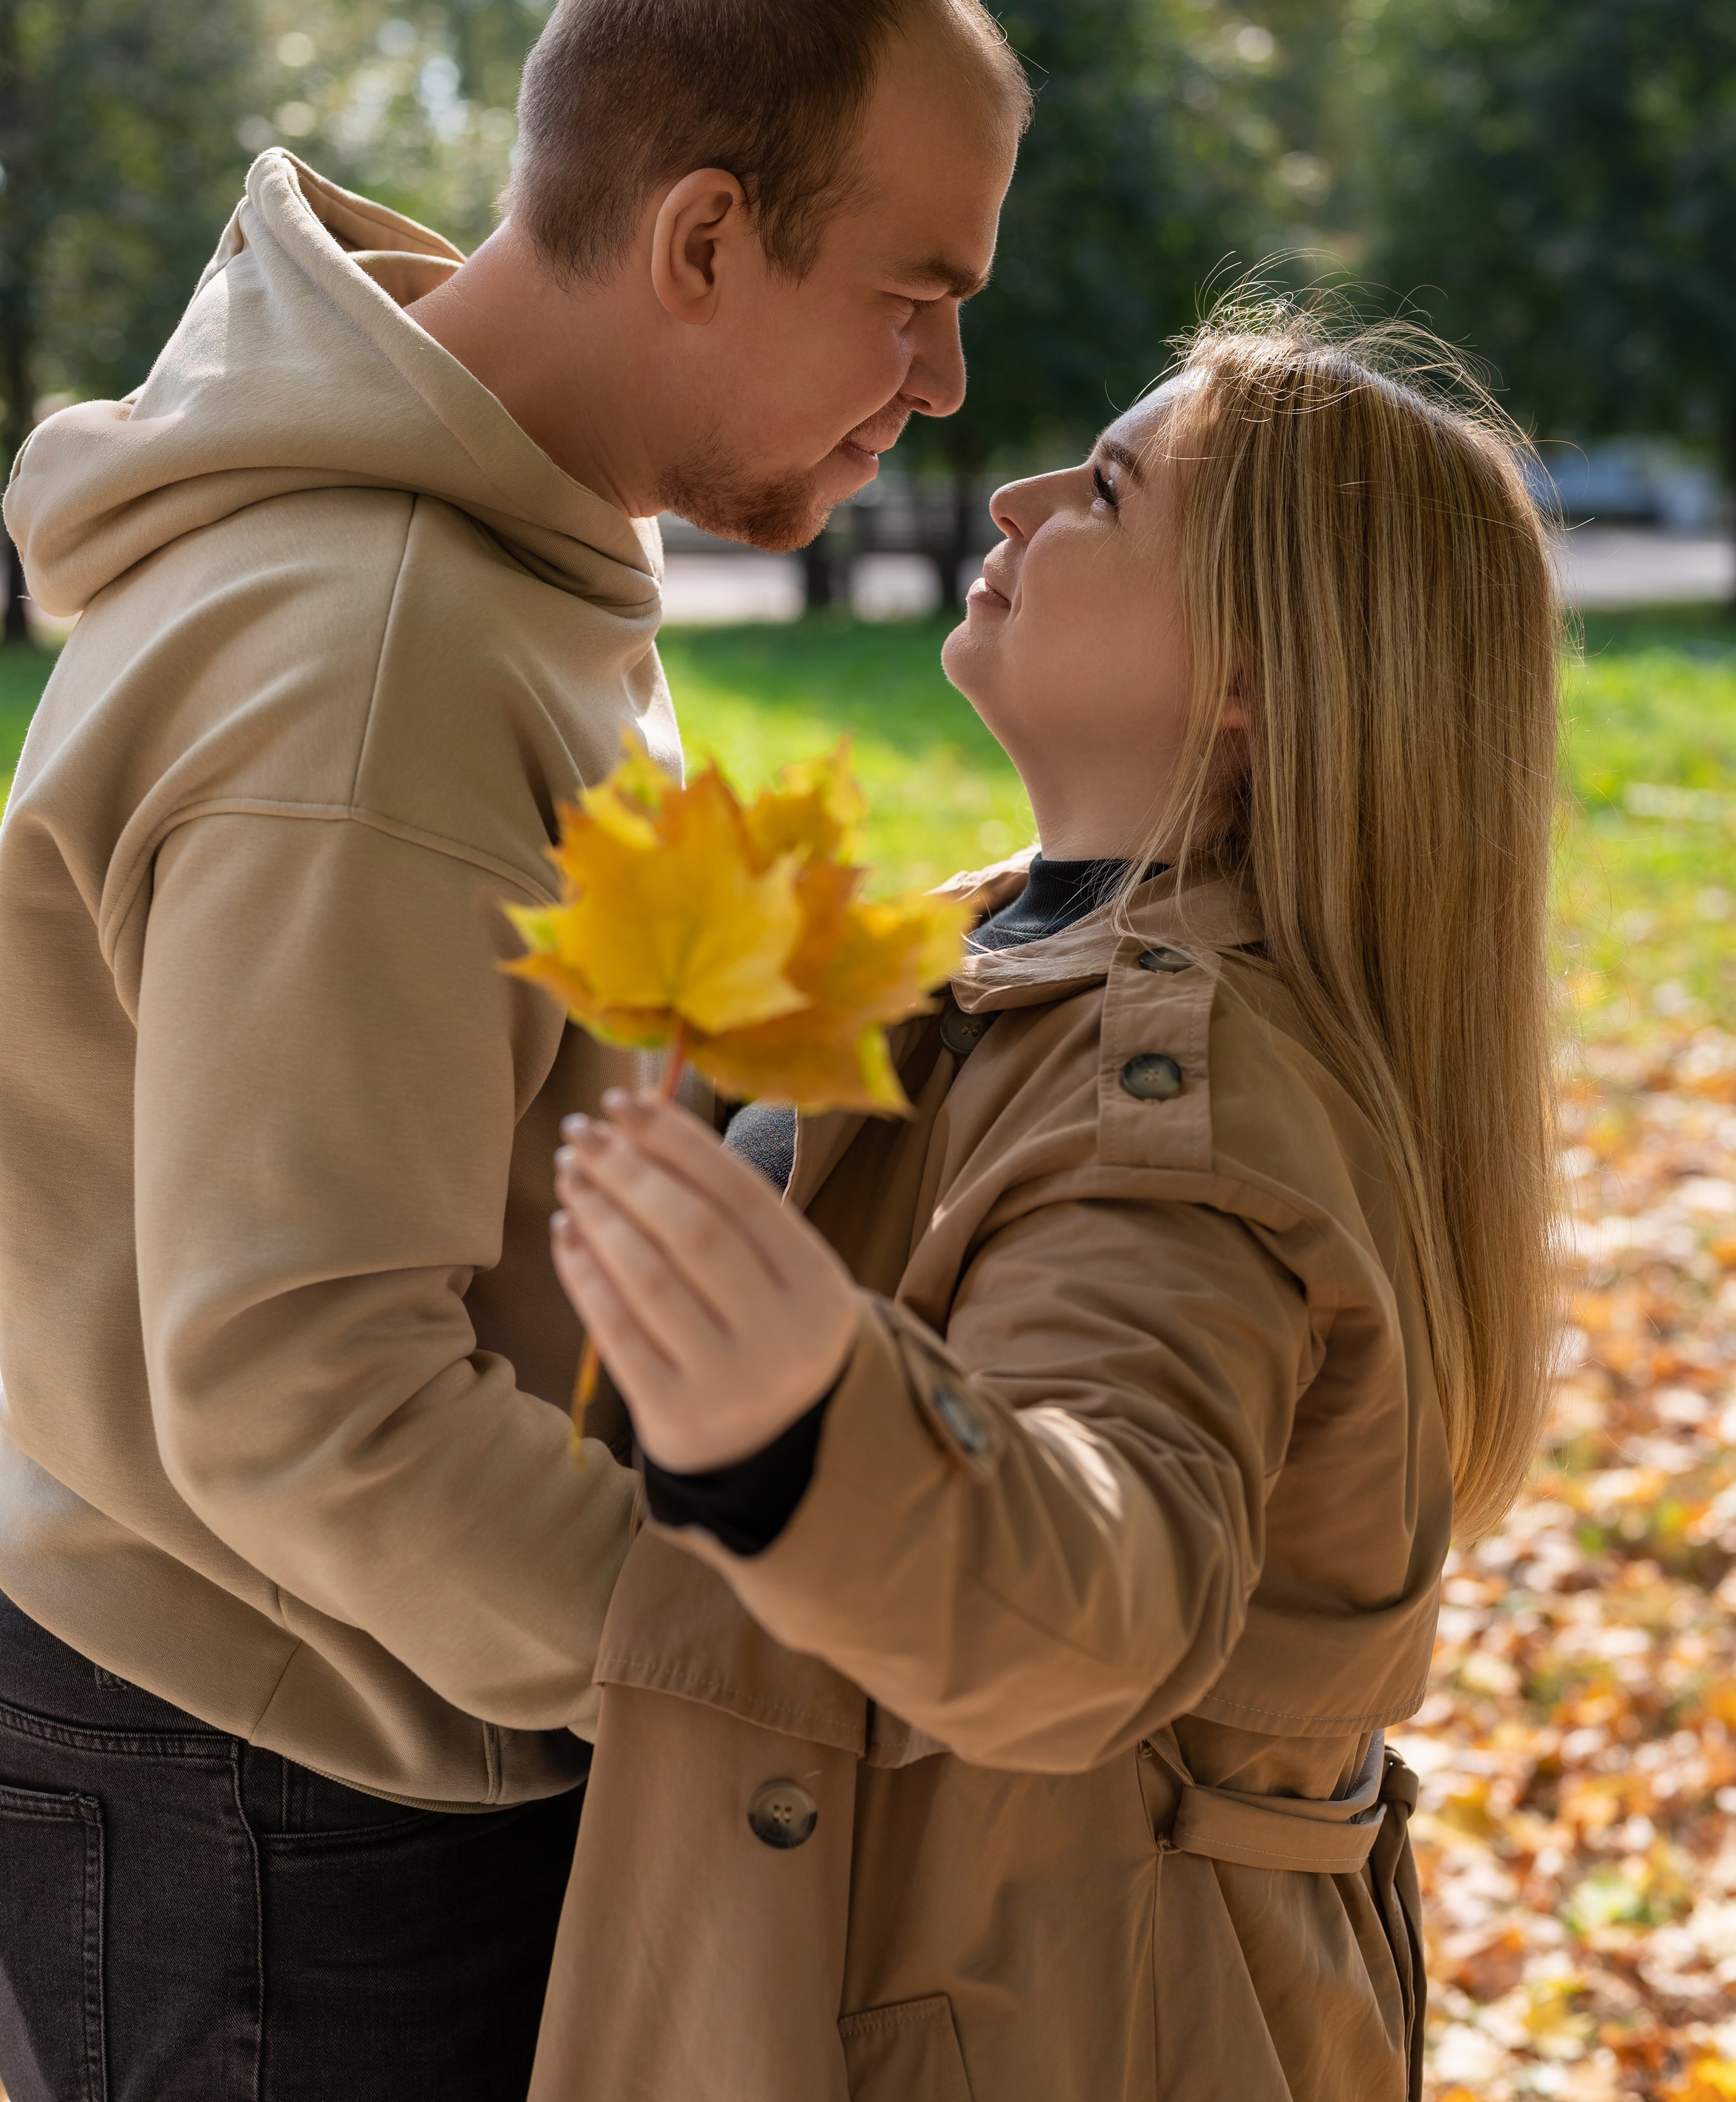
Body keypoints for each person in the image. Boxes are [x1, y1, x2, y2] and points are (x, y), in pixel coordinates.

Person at [0, 0, 1027, 2101]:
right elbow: (301, 1388)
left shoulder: (498, 567)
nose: (943, 382)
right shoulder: (379, 658)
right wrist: (766, 1663)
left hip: (347, 1707)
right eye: (916, 297)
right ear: (701, 239)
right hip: (285, 1778)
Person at [535, 305, 1562, 2102]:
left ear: (1252, 668)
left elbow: (1103, 1581)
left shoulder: (1180, 1096)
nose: (1008, 494)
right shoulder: (1009, 936)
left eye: (1102, 486)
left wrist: (805, 1424)